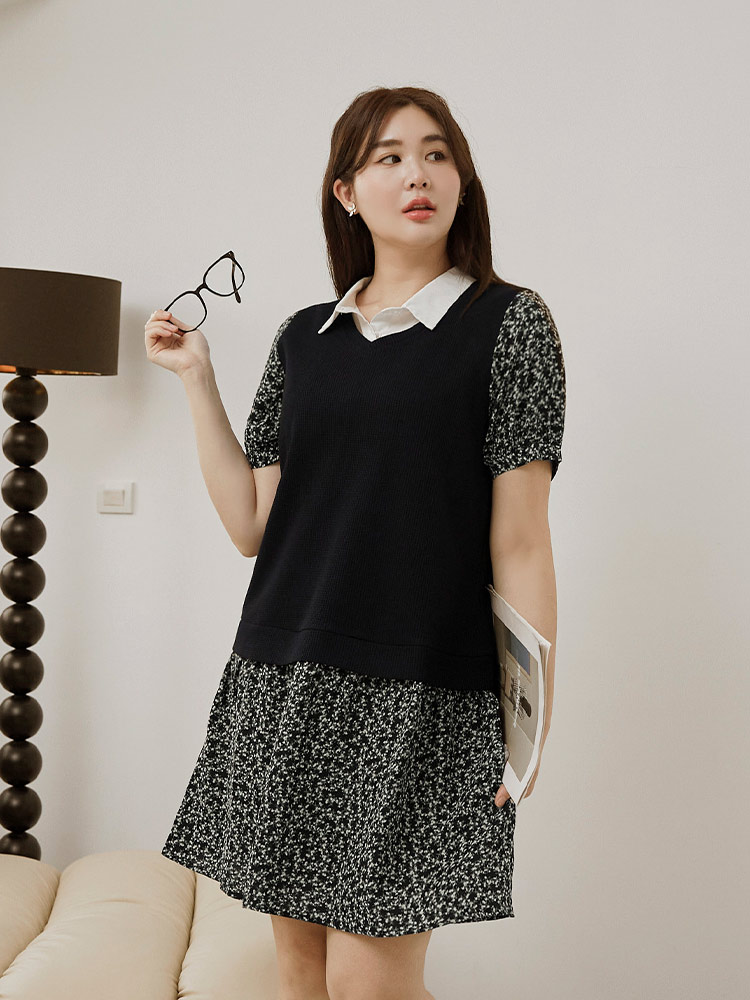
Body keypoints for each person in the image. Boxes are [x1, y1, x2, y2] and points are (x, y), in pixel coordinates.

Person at [145, 85, 566, 1000]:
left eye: (438, 155)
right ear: (346, 191)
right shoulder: (304, 338)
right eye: (390, 158)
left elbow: (523, 543)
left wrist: (528, 722)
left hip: (426, 690)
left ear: (463, 180)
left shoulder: (509, 324)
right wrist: (195, 379)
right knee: (302, 975)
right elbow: (253, 526)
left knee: (372, 985)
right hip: (284, 676)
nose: (419, 175)